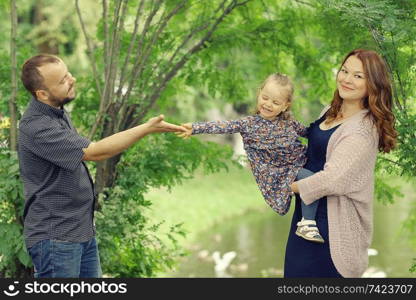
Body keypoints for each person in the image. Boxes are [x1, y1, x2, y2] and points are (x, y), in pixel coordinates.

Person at [17, 54, 186, 278]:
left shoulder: (57, 112)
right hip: (56, 238)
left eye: (68, 74)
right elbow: (96, 152)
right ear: (42, 94)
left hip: (81, 231)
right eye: (62, 81)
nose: (72, 79)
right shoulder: (37, 126)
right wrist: (145, 128)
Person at [286, 49, 397, 277]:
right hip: (305, 219)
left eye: (358, 76)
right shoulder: (330, 111)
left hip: (333, 232)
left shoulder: (362, 130)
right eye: (345, 71)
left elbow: (331, 180)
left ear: (373, 84)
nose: (346, 79)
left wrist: (283, 188)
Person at [177, 74, 324, 242]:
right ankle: (307, 223)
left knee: (316, 177)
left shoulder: (289, 122)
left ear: (285, 105)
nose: (268, 104)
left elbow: (310, 133)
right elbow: (223, 126)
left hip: (297, 163)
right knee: (311, 180)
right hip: (275, 174)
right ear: (259, 93)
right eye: (265, 98)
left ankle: (308, 212)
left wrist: (328, 126)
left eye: (275, 102)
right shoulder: (249, 124)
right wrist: (195, 128)